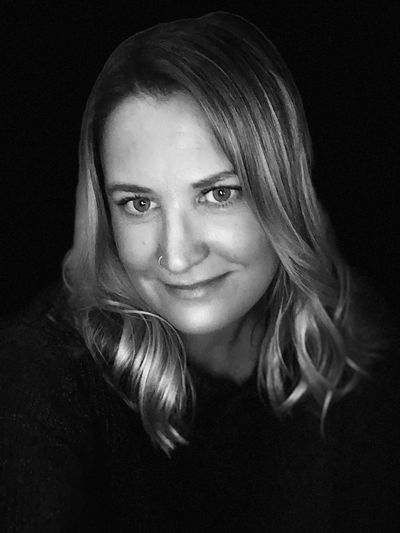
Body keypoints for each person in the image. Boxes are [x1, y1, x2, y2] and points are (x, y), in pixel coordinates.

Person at [0, 11, 398, 532]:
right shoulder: (39, 377)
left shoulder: (355, 363)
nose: (178, 254)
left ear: (282, 193)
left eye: (218, 194)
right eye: (139, 204)